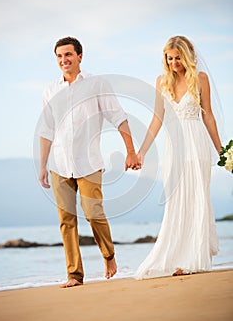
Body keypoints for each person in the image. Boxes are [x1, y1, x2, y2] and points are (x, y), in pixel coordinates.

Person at [38, 36, 140, 287]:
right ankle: (74, 275)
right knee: (67, 221)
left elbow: (118, 117)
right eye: (60, 56)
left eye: (68, 55)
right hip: (59, 164)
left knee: (93, 213)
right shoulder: (50, 90)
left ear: (80, 56)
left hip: (89, 163)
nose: (64, 60)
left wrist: (130, 151)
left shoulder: (96, 84)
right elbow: (46, 130)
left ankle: (108, 255)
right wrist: (42, 165)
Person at [135, 35, 221, 279]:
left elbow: (209, 117)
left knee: (197, 197)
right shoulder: (161, 82)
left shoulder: (200, 79)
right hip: (174, 146)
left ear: (188, 56)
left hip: (196, 143)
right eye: (169, 58)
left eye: (178, 58)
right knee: (177, 199)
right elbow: (157, 119)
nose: (174, 62)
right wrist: (141, 151)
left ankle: (193, 258)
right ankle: (177, 257)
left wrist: (222, 152)